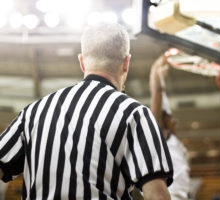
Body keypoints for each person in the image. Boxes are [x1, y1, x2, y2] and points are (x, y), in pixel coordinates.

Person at [0, 23, 173, 200]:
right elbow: (156, 194)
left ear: (82, 62)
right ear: (126, 63)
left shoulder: (34, 112)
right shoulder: (134, 113)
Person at [149, 55, 190, 200]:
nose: (175, 120)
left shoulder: (172, 138)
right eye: (170, 116)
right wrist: (156, 71)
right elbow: (158, 92)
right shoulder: (159, 134)